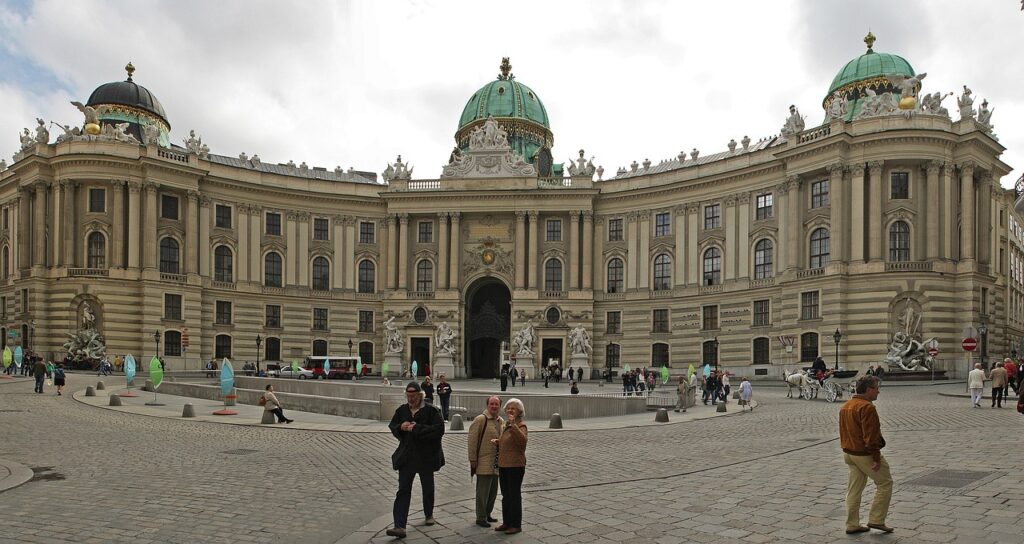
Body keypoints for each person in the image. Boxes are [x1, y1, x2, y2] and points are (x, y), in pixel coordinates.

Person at [386, 382, 445, 539]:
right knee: (403, 490)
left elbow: (439, 430)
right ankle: (399, 525)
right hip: (407, 457)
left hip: (426, 457)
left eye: (413, 396)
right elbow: (393, 425)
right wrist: (401, 428)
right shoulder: (402, 410)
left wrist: (416, 428)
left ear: (420, 396)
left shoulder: (432, 410)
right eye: (408, 396)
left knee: (428, 487)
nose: (411, 399)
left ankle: (429, 514)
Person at [839, 375, 893, 535]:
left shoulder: (846, 405)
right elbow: (871, 437)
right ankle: (877, 519)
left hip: (849, 453)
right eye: (877, 388)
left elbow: (843, 432)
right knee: (885, 483)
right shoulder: (867, 407)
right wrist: (876, 458)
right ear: (869, 390)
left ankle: (852, 524)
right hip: (864, 454)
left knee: (854, 489)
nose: (878, 392)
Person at [494, 398, 527, 535]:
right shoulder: (507, 425)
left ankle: (516, 524)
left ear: (519, 411)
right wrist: (498, 442)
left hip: (515, 465)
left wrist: (513, 425)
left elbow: (522, 442)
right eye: (508, 408)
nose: (509, 410)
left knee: (514, 495)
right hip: (504, 464)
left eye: (513, 408)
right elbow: (507, 442)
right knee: (506, 495)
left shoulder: (521, 426)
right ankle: (506, 522)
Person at [468, 396, 503, 527]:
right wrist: (472, 459)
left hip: (496, 463)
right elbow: (472, 441)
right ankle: (481, 517)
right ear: (487, 405)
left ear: (499, 406)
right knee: (482, 491)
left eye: (497, 404)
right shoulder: (480, 420)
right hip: (483, 461)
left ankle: (488, 513)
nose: (494, 406)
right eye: (492, 404)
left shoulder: (500, 421)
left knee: (493, 491)